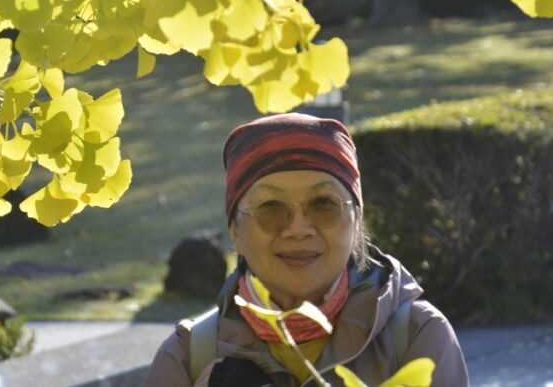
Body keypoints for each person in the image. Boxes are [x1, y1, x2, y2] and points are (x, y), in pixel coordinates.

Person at [146, 113, 469, 386]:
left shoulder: (416, 338)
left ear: (356, 222)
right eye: (271, 207)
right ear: (235, 230)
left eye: (323, 204)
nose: (298, 228)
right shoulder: (188, 357)